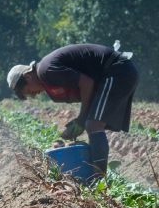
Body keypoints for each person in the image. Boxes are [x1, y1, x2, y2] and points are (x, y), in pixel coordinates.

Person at [7, 43, 138, 178]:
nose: (34, 94)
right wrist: (78, 122)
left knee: (93, 124)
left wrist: (82, 119)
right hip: (116, 71)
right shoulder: (48, 77)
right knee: (93, 123)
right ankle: (97, 178)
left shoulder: (46, 71)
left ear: (27, 76)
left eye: (29, 90)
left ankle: (100, 180)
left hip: (117, 70)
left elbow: (87, 83)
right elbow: (89, 94)